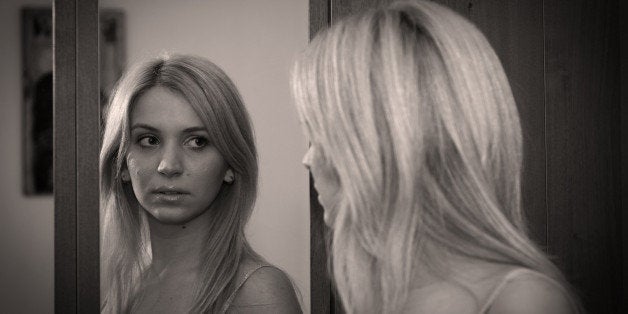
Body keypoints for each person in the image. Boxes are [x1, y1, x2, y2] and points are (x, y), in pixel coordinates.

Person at [291, 1, 582, 313]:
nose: (307, 159)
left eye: (318, 134)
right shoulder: (380, 290)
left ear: (379, 144)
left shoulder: (523, 302)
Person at [100, 54, 301, 313]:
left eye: (197, 142)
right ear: (122, 162)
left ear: (230, 163)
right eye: (149, 140)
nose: (169, 166)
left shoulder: (258, 292)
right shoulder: (125, 284)